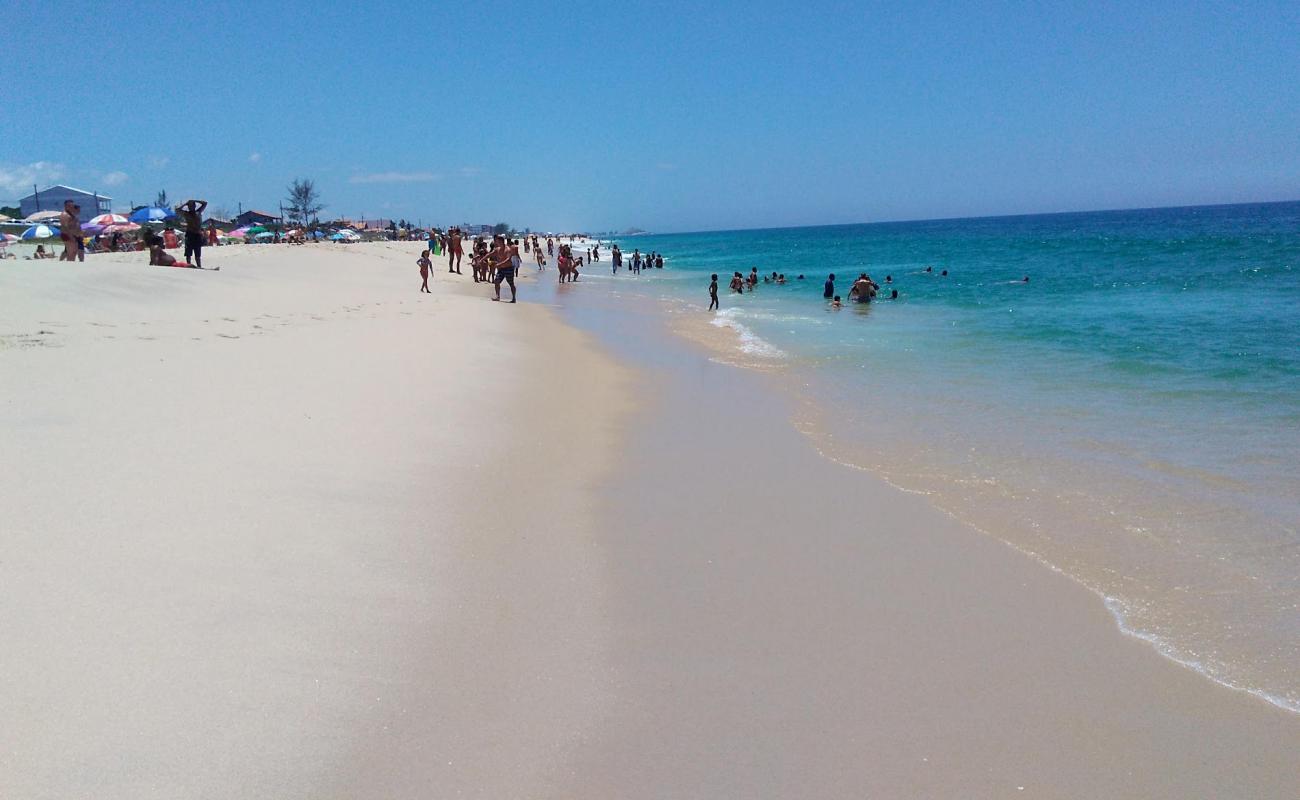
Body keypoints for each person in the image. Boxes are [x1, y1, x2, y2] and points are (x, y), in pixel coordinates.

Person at [177, 199, 208, 268]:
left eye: (192, 206)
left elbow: (205, 203)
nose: (191, 207)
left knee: (197, 251)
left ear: (195, 206)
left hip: (197, 234)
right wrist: (185, 203)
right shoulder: (186, 213)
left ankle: (199, 265)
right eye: (190, 206)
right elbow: (177, 210)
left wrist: (194, 200)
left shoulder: (198, 212)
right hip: (190, 234)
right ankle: (188, 264)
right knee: (188, 251)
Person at [491, 235, 516, 302]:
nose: (496, 242)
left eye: (497, 241)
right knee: (496, 280)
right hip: (501, 269)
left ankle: (514, 298)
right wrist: (482, 259)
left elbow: (508, 259)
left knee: (511, 284)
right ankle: (497, 296)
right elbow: (490, 254)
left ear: (501, 241)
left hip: (509, 268)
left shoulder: (508, 249)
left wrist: (499, 264)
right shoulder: (498, 249)